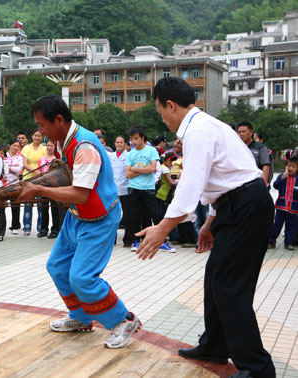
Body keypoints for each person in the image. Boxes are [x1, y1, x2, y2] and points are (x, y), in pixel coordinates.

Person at [136, 77, 276, 378]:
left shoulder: (198, 131)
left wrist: (163, 227)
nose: (162, 118)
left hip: (247, 207)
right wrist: (210, 222)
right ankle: (214, 345)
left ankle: (257, 367)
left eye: (161, 111)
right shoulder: (207, 126)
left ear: (170, 105)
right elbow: (220, 179)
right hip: (236, 206)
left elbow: (191, 184)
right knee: (216, 280)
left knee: (230, 288)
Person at [18, 94, 140, 350]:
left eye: (42, 125)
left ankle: (124, 320)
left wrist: (39, 190)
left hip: (99, 218)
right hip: (77, 216)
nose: (39, 131)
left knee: (83, 277)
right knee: (57, 267)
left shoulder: (84, 146)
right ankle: (81, 317)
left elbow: (80, 193)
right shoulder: (63, 141)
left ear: (59, 120)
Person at [126, 125, 175, 253]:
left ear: (142, 138)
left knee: (155, 215)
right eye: (131, 139)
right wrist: (144, 170)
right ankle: (136, 241)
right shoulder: (130, 153)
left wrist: (135, 169)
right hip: (133, 188)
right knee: (135, 216)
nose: (134, 141)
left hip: (148, 188)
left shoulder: (151, 151)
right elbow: (127, 174)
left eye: (136, 138)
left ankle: (162, 241)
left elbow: (153, 169)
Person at [268, 157, 298, 250]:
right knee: (277, 225)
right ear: (286, 167)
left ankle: (288, 243)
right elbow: (275, 186)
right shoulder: (282, 176)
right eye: (289, 166)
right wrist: (282, 178)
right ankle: (271, 241)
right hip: (281, 206)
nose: (291, 168)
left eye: (293, 167)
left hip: (293, 207)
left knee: (291, 227)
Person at [21, 129, 46, 236]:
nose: (37, 138)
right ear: (32, 136)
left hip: (41, 178)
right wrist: (35, 171)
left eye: (39, 136)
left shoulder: (44, 148)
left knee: (41, 204)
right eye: (35, 135)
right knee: (28, 203)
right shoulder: (26, 148)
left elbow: (45, 161)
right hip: (28, 177)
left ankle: (40, 227)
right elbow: (25, 164)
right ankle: (27, 227)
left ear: (42, 137)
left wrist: (40, 173)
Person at [109, 135, 132, 247]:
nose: (119, 144)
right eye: (117, 142)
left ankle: (127, 240)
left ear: (125, 144)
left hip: (125, 189)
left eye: (121, 142)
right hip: (113, 190)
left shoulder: (129, 156)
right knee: (113, 215)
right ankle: (112, 239)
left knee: (127, 215)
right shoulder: (111, 156)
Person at [237, 122, 271, 187]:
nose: (241, 134)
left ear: (251, 132)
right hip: (239, 183)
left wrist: (263, 184)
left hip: (255, 182)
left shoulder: (260, 147)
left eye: (243, 131)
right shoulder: (236, 147)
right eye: (239, 132)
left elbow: (266, 166)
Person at [38, 140, 60, 238]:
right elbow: (39, 171)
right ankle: (43, 229)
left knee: (54, 209)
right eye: (48, 146)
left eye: (51, 146)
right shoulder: (42, 159)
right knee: (43, 209)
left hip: (54, 187)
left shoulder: (57, 159)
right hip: (43, 185)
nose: (49, 148)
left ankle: (55, 229)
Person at [6, 139, 23, 234]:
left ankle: (15, 226)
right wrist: (12, 168)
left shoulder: (20, 157)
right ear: (10, 146)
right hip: (4, 184)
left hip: (15, 183)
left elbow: (18, 169)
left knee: (15, 205)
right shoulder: (4, 155)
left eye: (18, 146)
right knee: (1, 206)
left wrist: (8, 168)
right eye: (14, 145)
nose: (16, 148)